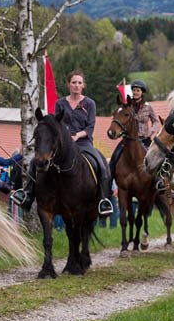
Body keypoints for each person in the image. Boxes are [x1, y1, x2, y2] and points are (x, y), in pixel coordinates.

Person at [57, 70, 114, 215]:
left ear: (83, 85)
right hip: (65, 145)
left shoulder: (89, 103)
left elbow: (90, 126)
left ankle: (103, 200)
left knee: (101, 166)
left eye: (79, 83)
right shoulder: (60, 103)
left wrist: (77, 136)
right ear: (68, 85)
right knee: (39, 162)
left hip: (84, 143)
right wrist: (66, 137)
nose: (76, 85)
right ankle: (29, 194)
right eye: (73, 82)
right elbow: (57, 124)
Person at [109, 80, 159, 181]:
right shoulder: (127, 105)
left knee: (156, 159)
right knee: (115, 157)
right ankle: (108, 183)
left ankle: (158, 182)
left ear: (142, 92)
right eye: (134, 90)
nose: (136, 92)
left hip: (144, 139)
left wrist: (151, 132)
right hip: (128, 139)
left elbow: (156, 122)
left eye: (138, 90)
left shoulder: (148, 106)